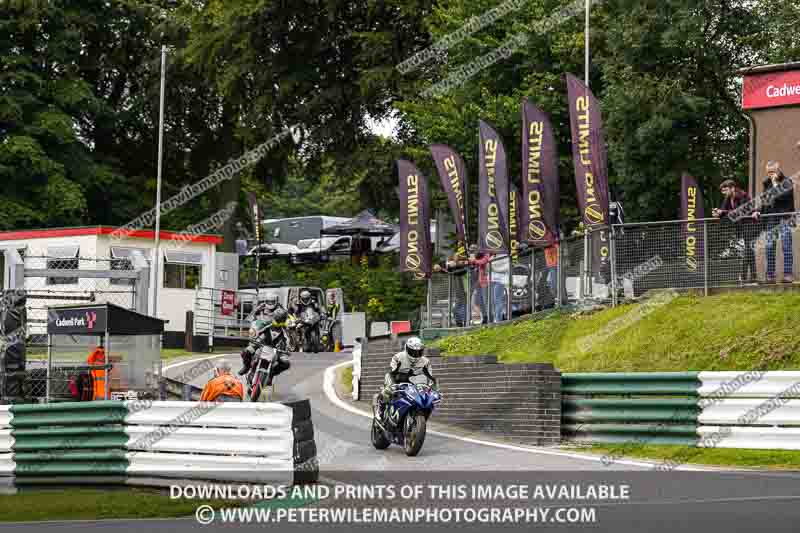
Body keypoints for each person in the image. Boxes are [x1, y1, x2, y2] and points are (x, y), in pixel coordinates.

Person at [373, 337, 437, 420]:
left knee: (427, 399)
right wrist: (395, 380)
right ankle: (380, 410)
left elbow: (430, 378)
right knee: (389, 390)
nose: (415, 354)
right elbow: (392, 372)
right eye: (412, 351)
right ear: (406, 348)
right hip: (396, 378)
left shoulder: (426, 362)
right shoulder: (398, 357)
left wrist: (433, 388)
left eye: (418, 352)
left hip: (412, 382)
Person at [712, 179, 758, 283]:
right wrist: (718, 213)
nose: (724, 193)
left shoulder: (743, 196)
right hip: (739, 227)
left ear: (732, 188)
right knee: (748, 251)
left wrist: (723, 212)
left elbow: (740, 211)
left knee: (748, 250)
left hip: (749, 225)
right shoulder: (728, 198)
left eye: (725, 190)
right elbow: (725, 212)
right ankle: (752, 277)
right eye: (722, 191)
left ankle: (744, 276)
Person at [762, 161, 795, 283]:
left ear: (778, 170)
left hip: (785, 217)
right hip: (771, 217)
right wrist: (760, 214)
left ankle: (788, 275)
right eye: (768, 172)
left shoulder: (787, 181)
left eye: (772, 172)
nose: (770, 174)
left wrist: (775, 184)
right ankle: (770, 275)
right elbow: (765, 200)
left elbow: (783, 196)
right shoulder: (766, 183)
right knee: (769, 247)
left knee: (786, 246)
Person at [238, 310, 291, 384]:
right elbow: (257, 330)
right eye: (277, 319)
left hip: (276, 349)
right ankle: (246, 367)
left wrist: (287, 349)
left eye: (281, 320)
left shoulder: (285, 329)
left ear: (284, 320)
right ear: (274, 317)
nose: (278, 322)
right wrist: (254, 335)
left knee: (286, 363)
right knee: (246, 351)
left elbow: (287, 340)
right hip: (261, 343)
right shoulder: (266, 323)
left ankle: (271, 374)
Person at [433, 254, 469, 326]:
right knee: (458, 304)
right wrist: (440, 267)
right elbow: (444, 267)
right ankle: (460, 321)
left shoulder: (462, 263)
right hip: (459, 284)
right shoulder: (447, 266)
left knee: (462, 302)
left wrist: (457, 263)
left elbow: (463, 267)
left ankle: (464, 320)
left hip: (464, 282)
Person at [467, 245, 491, 324]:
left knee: (485, 299)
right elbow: (472, 264)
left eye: (474, 250)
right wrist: (470, 261)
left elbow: (483, 261)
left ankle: (490, 316)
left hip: (486, 281)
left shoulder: (486, 254)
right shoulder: (477, 257)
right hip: (479, 281)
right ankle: (484, 316)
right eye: (471, 251)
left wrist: (474, 260)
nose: (473, 252)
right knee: (479, 300)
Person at [488, 254, 509, 322]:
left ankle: (498, 319)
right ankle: (496, 317)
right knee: (493, 301)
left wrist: (494, 268)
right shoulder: (492, 257)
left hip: (500, 280)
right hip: (492, 280)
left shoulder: (505, 255)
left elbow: (506, 267)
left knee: (498, 300)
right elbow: (488, 267)